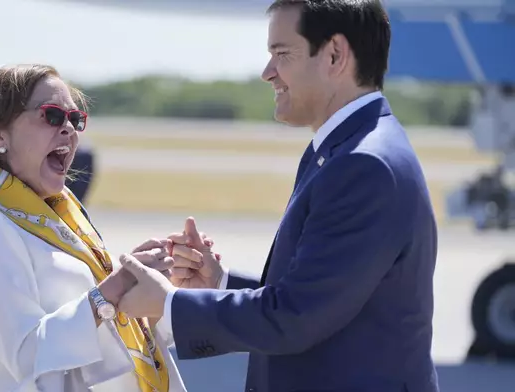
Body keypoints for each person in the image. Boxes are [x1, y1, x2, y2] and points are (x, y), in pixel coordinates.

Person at [114, 1, 440, 391]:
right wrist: (220, 283)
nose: (268, 73)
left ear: (335, 55)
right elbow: (319, 294)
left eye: (282, 54)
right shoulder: (345, 149)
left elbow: (295, 316)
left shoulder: (363, 165)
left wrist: (168, 305)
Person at [0, 64, 186, 392]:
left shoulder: (56, 211)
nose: (69, 129)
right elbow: (28, 357)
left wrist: (149, 287)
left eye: (76, 119)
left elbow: (103, 340)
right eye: (52, 115)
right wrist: (110, 292)